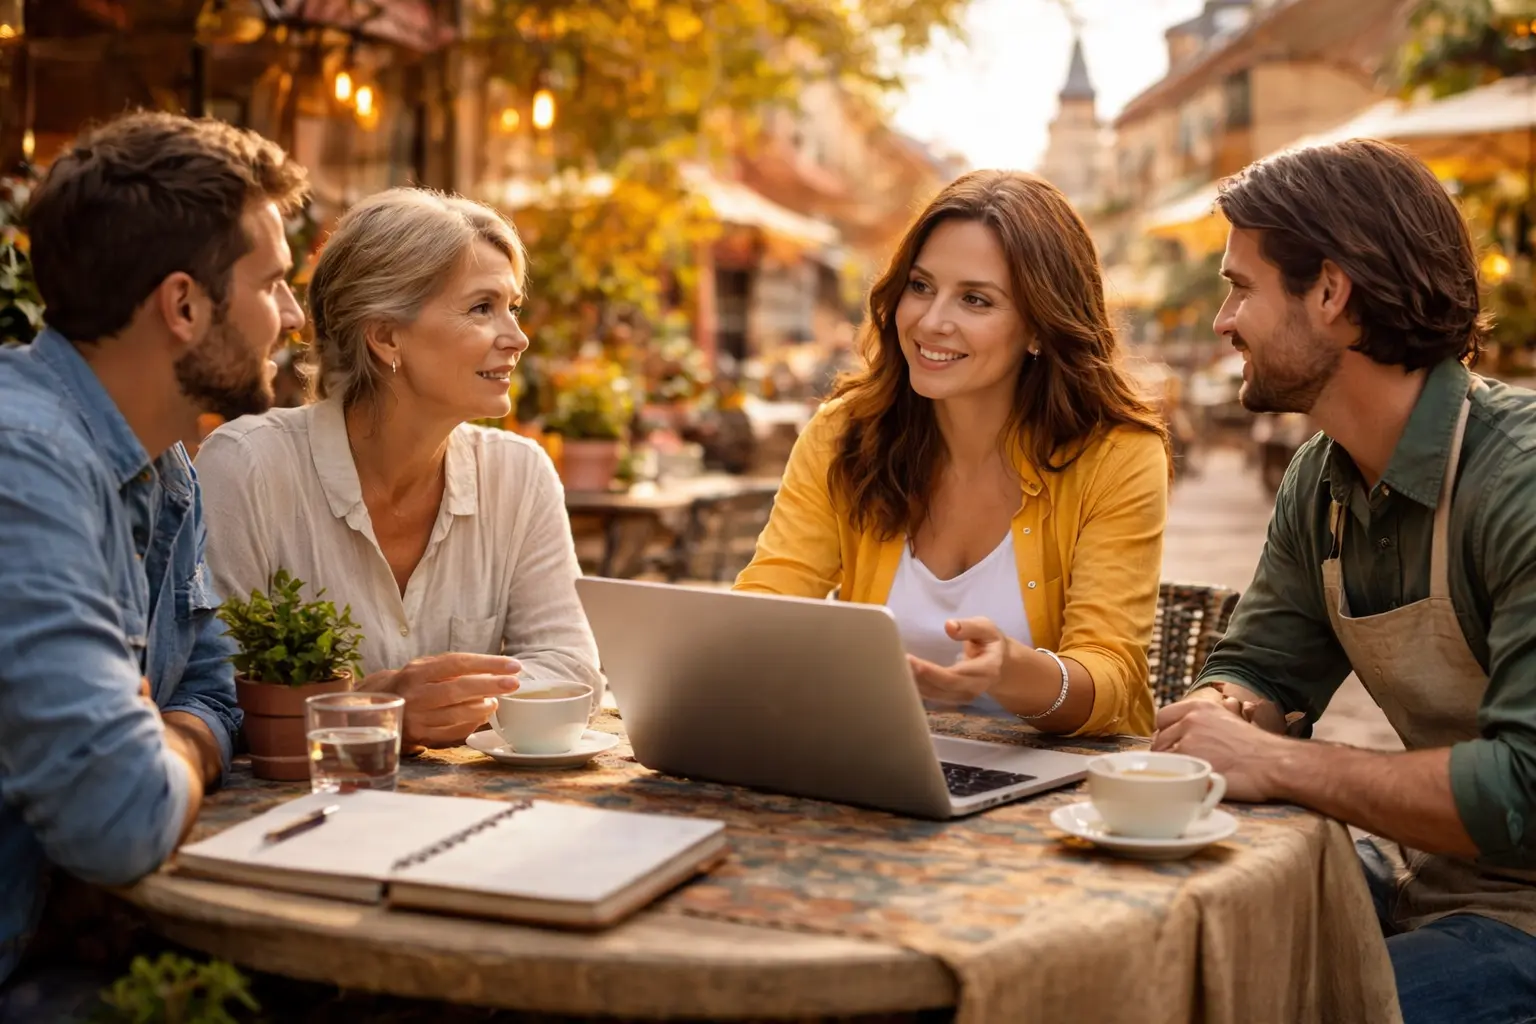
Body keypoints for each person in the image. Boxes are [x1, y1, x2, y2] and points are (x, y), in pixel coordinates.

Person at [1153, 139, 1536, 1023]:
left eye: (1240, 287)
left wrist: (1277, 760)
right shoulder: (1321, 476)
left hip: (1523, 925)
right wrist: (1227, 709)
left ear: (1331, 293)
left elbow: (1524, 794)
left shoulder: (1517, 482)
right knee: (1169, 951)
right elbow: (1266, 665)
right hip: (1423, 884)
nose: (1222, 320)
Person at [0, 112, 306, 1012]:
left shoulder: (163, 463)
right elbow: (119, 821)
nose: (290, 319)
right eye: (274, 286)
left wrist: (164, 736)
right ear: (183, 306)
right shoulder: (25, 464)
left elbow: (216, 694)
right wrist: (155, 749)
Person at [736, 170, 1169, 736]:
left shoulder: (1117, 457)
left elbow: (1113, 678)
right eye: (920, 286)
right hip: (878, 761)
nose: (931, 321)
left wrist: (1012, 671)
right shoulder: (845, 433)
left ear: (1040, 327)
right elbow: (768, 601)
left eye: (975, 299)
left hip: (1059, 789)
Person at [196, 188, 601, 750]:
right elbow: (214, 694)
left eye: (512, 307)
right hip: (294, 819)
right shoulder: (248, 467)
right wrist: (373, 712)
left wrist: (443, 700)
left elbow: (572, 668)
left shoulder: (520, 473)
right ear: (385, 335)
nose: (517, 337)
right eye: (483, 308)